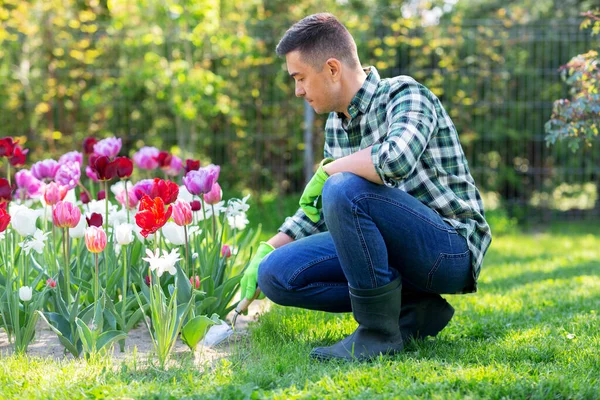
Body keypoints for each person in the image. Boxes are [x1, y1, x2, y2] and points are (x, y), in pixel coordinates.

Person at [239, 13, 492, 361]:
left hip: (446, 249)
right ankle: (413, 310)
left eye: (299, 78)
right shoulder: (335, 126)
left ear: (331, 69)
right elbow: (320, 208)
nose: (297, 90)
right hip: (388, 249)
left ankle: (377, 333)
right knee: (277, 275)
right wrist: (269, 247)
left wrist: (330, 172)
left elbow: (395, 160)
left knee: (342, 187)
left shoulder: (405, 94)